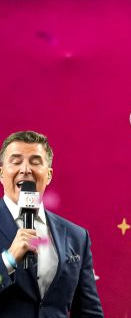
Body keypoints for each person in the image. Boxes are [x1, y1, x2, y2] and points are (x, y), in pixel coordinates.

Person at [0, 131, 103, 317]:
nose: (25, 169)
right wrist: (8, 259)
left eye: (35, 161)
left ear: (48, 175)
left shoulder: (77, 236)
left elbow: (89, 311)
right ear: (1, 174)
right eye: (16, 161)